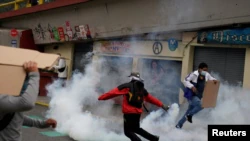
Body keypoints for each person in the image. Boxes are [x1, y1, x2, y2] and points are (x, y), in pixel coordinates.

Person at [98, 72, 170, 141]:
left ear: (131, 78)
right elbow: (151, 98)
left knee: (128, 132)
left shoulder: (127, 86)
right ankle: (154, 138)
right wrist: (162, 105)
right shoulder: (142, 89)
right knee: (136, 129)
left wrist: (101, 97)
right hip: (137, 113)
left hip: (128, 113)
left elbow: (112, 93)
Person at [0, 61, 57, 141]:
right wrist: (34, 75)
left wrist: (43, 123)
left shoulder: (11, 96)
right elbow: (27, 103)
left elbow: (17, 118)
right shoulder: (2, 97)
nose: (25, 81)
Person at [175, 62, 217, 129]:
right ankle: (189, 115)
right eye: (204, 70)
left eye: (206, 70)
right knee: (201, 105)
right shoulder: (193, 74)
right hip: (192, 96)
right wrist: (192, 86)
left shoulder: (206, 74)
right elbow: (185, 80)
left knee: (188, 112)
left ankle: (179, 125)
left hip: (198, 96)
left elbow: (211, 78)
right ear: (199, 69)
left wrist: (214, 80)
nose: (205, 72)